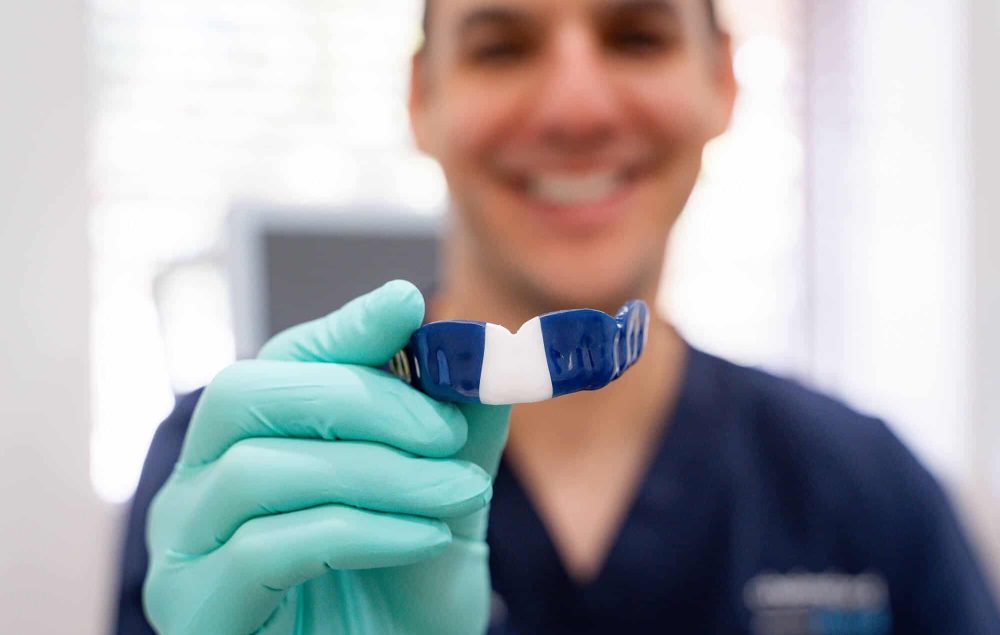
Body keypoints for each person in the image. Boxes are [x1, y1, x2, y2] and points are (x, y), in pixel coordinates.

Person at [114, 0, 1000, 633]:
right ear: (422, 97)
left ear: (723, 82)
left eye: (637, 34)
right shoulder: (251, 482)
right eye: (502, 45)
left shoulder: (875, 496)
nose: (576, 106)